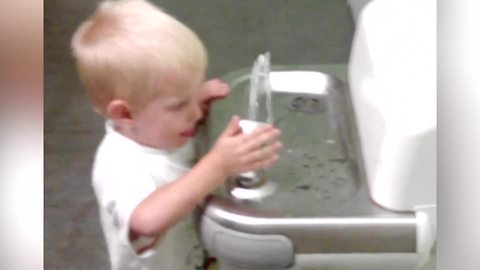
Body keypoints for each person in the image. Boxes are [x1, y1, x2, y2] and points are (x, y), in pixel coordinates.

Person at [71, 1, 282, 269]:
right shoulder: (119, 166)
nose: (194, 113)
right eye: (179, 104)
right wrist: (217, 165)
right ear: (126, 114)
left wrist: (194, 100)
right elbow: (147, 219)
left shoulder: (158, 131)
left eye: (194, 94)